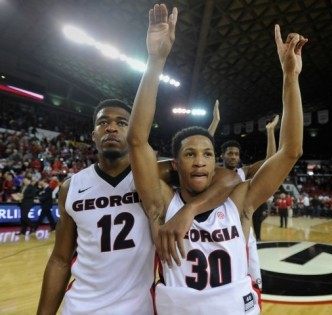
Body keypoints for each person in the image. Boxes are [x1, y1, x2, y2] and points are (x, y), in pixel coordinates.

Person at [128, 4, 307, 312]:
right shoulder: (160, 204)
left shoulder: (239, 199)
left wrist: (290, 77)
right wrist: (156, 59)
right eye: (190, 154)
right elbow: (136, 141)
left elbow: (290, 151)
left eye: (208, 154)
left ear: (216, 161)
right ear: (175, 163)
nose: (200, 161)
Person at [37, 91, 239, 313]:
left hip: (139, 307)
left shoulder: (156, 176)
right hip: (80, 306)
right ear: (93, 134)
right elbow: (60, 260)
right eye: (103, 122)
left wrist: (190, 209)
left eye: (122, 123)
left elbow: (226, 177)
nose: (111, 128)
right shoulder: (71, 187)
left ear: (133, 132)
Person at [208, 101, 279, 289]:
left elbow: (270, 162)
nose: (233, 156)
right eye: (229, 153)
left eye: (236, 154)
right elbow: (203, 144)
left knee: (250, 277)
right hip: (217, 228)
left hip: (242, 228)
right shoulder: (213, 171)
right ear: (221, 155)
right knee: (221, 277)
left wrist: (270, 132)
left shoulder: (244, 171)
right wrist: (215, 121)